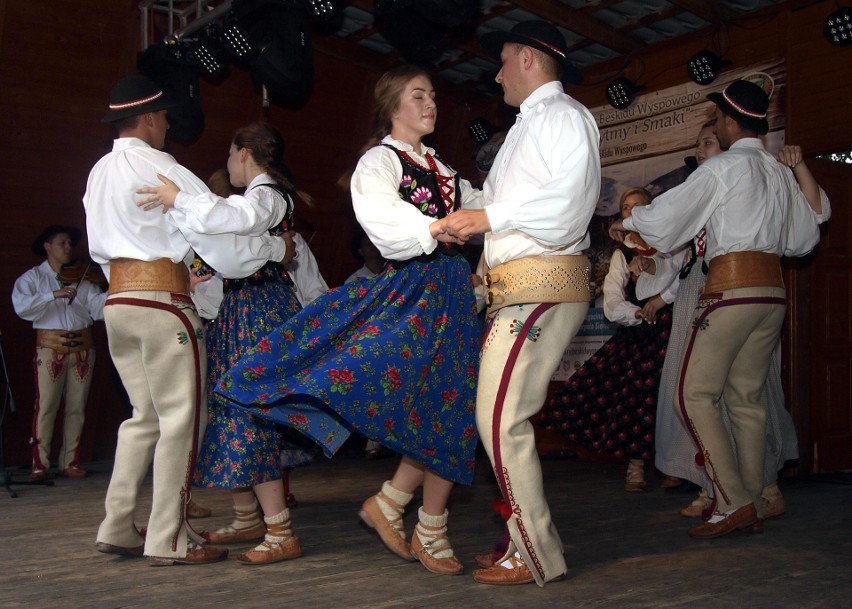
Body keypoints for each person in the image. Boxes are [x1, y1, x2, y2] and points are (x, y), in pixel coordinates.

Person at [217, 64, 482, 576]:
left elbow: (484, 209)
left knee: (448, 402)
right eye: (418, 96)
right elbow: (384, 224)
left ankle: (405, 511)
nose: (430, 104)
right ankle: (416, 518)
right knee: (427, 400)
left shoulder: (444, 171)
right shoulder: (379, 162)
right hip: (415, 288)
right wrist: (438, 226)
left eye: (432, 96)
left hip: (451, 291)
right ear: (392, 107)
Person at [609, 79, 830, 538]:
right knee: (745, 399)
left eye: (717, 123)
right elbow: (805, 238)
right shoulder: (775, 171)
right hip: (771, 294)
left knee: (692, 394)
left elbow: (669, 219)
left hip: (730, 292)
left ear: (730, 122)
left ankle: (731, 498)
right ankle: (753, 497)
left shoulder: (724, 168)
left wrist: (630, 221)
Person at [84, 74, 285, 566]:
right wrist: (273, 247)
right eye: (165, 117)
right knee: (181, 422)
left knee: (142, 418)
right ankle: (168, 537)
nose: (168, 125)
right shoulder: (161, 167)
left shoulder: (98, 171)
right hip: (161, 304)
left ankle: (117, 525)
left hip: (117, 304)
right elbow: (217, 228)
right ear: (151, 118)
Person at [443, 21, 601, 586]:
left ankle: (534, 550)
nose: (497, 71)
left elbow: (568, 206)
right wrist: (465, 204)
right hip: (522, 290)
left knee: (501, 418)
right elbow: (509, 202)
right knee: (500, 417)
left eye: (504, 61)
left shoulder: (563, 117)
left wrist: (489, 218)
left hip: (541, 285)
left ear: (530, 60)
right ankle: (524, 542)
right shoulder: (530, 126)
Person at [137, 123, 313, 565]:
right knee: (236, 407)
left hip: (258, 306)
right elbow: (236, 237)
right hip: (245, 305)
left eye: (231, 154)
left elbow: (238, 219)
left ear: (245, 153)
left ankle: (280, 531)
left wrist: (180, 199)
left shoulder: (266, 194)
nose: (229, 163)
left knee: (247, 410)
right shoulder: (261, 197)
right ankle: (251, 516)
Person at [639, 122, 803, 519]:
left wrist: (631, 221)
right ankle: (726, 488)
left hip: (729, 285)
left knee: (707, 393)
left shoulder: (731, 173)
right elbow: (682, 253)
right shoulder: (731, 178)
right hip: (722, 284)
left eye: (709, 141)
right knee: (730, 394)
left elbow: (670, 231)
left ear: (729, 135)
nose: (701, 149)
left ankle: (746, 491)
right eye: (697, 144)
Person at [538, 188, 673, 493]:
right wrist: (636, 314)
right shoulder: (621, 253)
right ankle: (636, 463)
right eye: (626, 207)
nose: (632, 212)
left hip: (672, 328)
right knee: (636, 393)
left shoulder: (670, 244)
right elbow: (612, 300)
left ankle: (673, 464)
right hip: (640, 330)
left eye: (639, 206)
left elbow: (680, 278)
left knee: (671, 395)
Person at [12, 225, 107, 480]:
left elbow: (97, 311)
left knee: (77, 407)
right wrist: (52, 294)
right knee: (46, 406)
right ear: (48, 246)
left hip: (83, 348)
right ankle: (39, 464)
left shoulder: (83, 279)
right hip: (50, 348)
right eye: (62, 243)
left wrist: (114, 290)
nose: (68, 248)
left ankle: (70, 462)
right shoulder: (32, 279)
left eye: (69, 244)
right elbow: (23, 308)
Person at [344, 225, 392, 460]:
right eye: (367, 243)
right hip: (368, 343)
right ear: (360, 251)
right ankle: (372, 441)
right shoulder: (355, 280)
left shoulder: (394, 276)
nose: (373, 247)